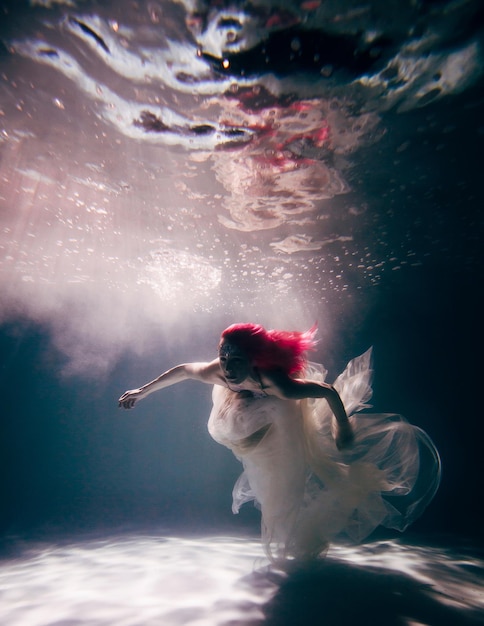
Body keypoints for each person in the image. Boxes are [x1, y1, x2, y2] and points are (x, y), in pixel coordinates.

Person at [119, 323, 441, 561]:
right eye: (223, 356)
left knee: (283, 488)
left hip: (279, 419)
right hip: (246, 413)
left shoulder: (276, 383)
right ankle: (251, 441)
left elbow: (327, 391)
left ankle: (299, 538)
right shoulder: (219, 372)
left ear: (254, 360)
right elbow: (182, 371)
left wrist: (342, 428)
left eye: (237, 360)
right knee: (238, 439)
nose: (228, 367)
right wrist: (142, 391)